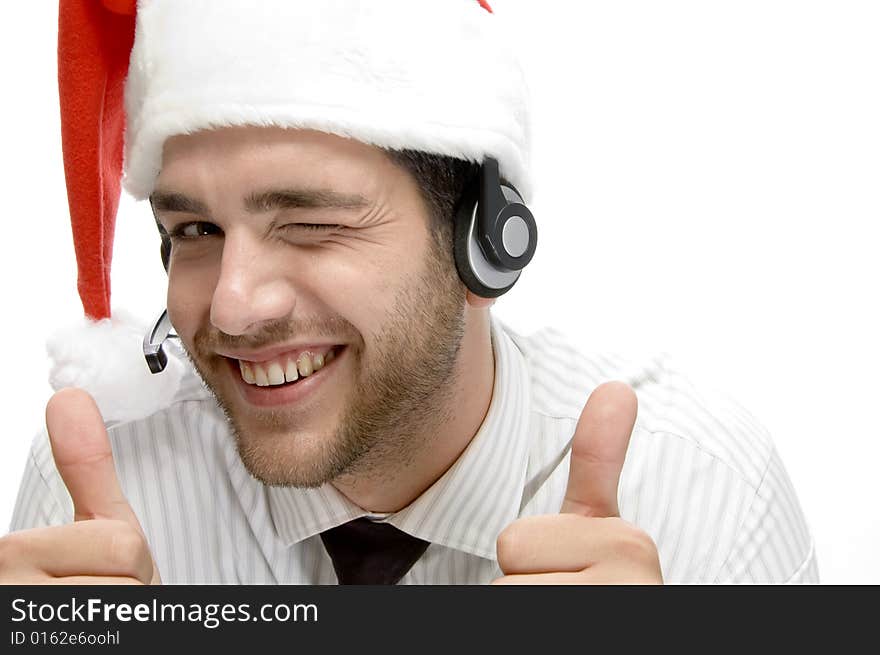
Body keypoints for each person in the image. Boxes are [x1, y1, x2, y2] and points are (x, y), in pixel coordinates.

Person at [1, 0, 816, 585]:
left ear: (485, 244)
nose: (234, 308)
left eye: (310, 222)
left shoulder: (702, 491)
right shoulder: (99, 499)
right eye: (196, 232)